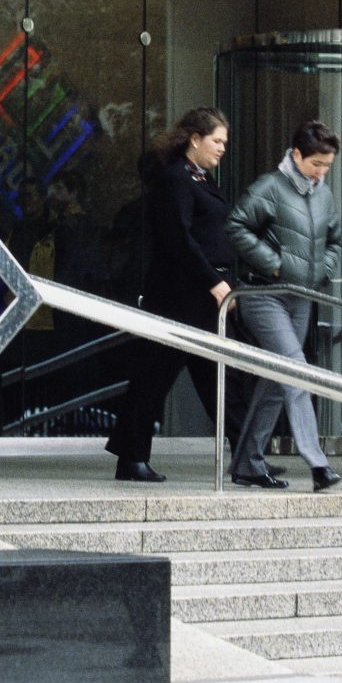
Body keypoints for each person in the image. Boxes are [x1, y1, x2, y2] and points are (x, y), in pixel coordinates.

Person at [105, 106, 247, 482]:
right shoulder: (176, 179)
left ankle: (247, 454)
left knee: (221, 377)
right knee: (156, 376)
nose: (223, 148)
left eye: (225, 142)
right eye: (217, 141)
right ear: (195, 139)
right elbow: (179, 239)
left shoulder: (199, 177)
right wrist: (214, 281)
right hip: (180, 296)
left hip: (201, 296)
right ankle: (131, 457)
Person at [225, 120, 342, 493]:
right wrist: (275, 265)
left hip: (300, 296)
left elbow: (335, 241)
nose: (321, 172)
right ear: (296, 155)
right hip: (263, 294)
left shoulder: (324, 195)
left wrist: (322, 270)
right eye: (316, 164)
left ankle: (247, 464)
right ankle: (318, 463)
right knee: (295, 370)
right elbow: (236, 226)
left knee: (278, 380)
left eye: (327, 165)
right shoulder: (270, 187)